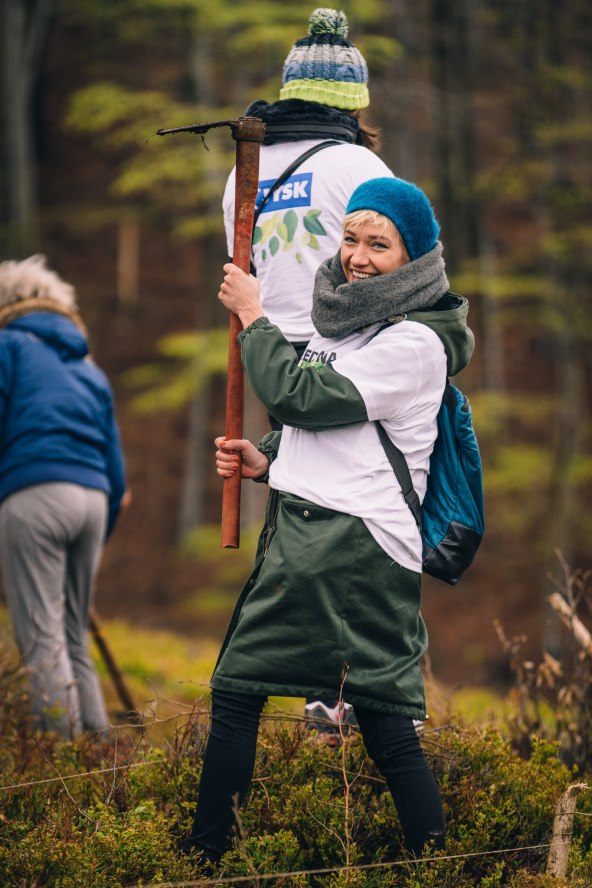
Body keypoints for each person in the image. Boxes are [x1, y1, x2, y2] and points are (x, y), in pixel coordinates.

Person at [184, 176, 475, 863]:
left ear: (416, 259)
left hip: (352, 547)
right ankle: (432, 865)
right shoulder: (349, 323)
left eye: (379, 244)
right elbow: (324, 426)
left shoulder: (415, 343)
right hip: (311, 532)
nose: (357, 256)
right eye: (351, 238)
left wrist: (256, 317)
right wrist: (269, 460)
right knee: (378, 718)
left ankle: (201, 858)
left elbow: (304, 395)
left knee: (243, 692)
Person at [223, 6, 394, 737]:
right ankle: (349, 687)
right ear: (353, 101)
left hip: (270, 352)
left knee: (298, 514)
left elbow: (245, 269)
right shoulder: (359, 166)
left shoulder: (246, 171)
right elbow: (395, 255)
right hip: (346, 352)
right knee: (363, 514)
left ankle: (315, 681)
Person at [0, 255, 128, 739]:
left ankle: (63, 762)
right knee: (72, 633)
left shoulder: (7, 346)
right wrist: (99, 534)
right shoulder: (89, 370)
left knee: (41, 637)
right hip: (93, 503)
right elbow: (116, 472)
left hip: (33, 494)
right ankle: (96, 750)